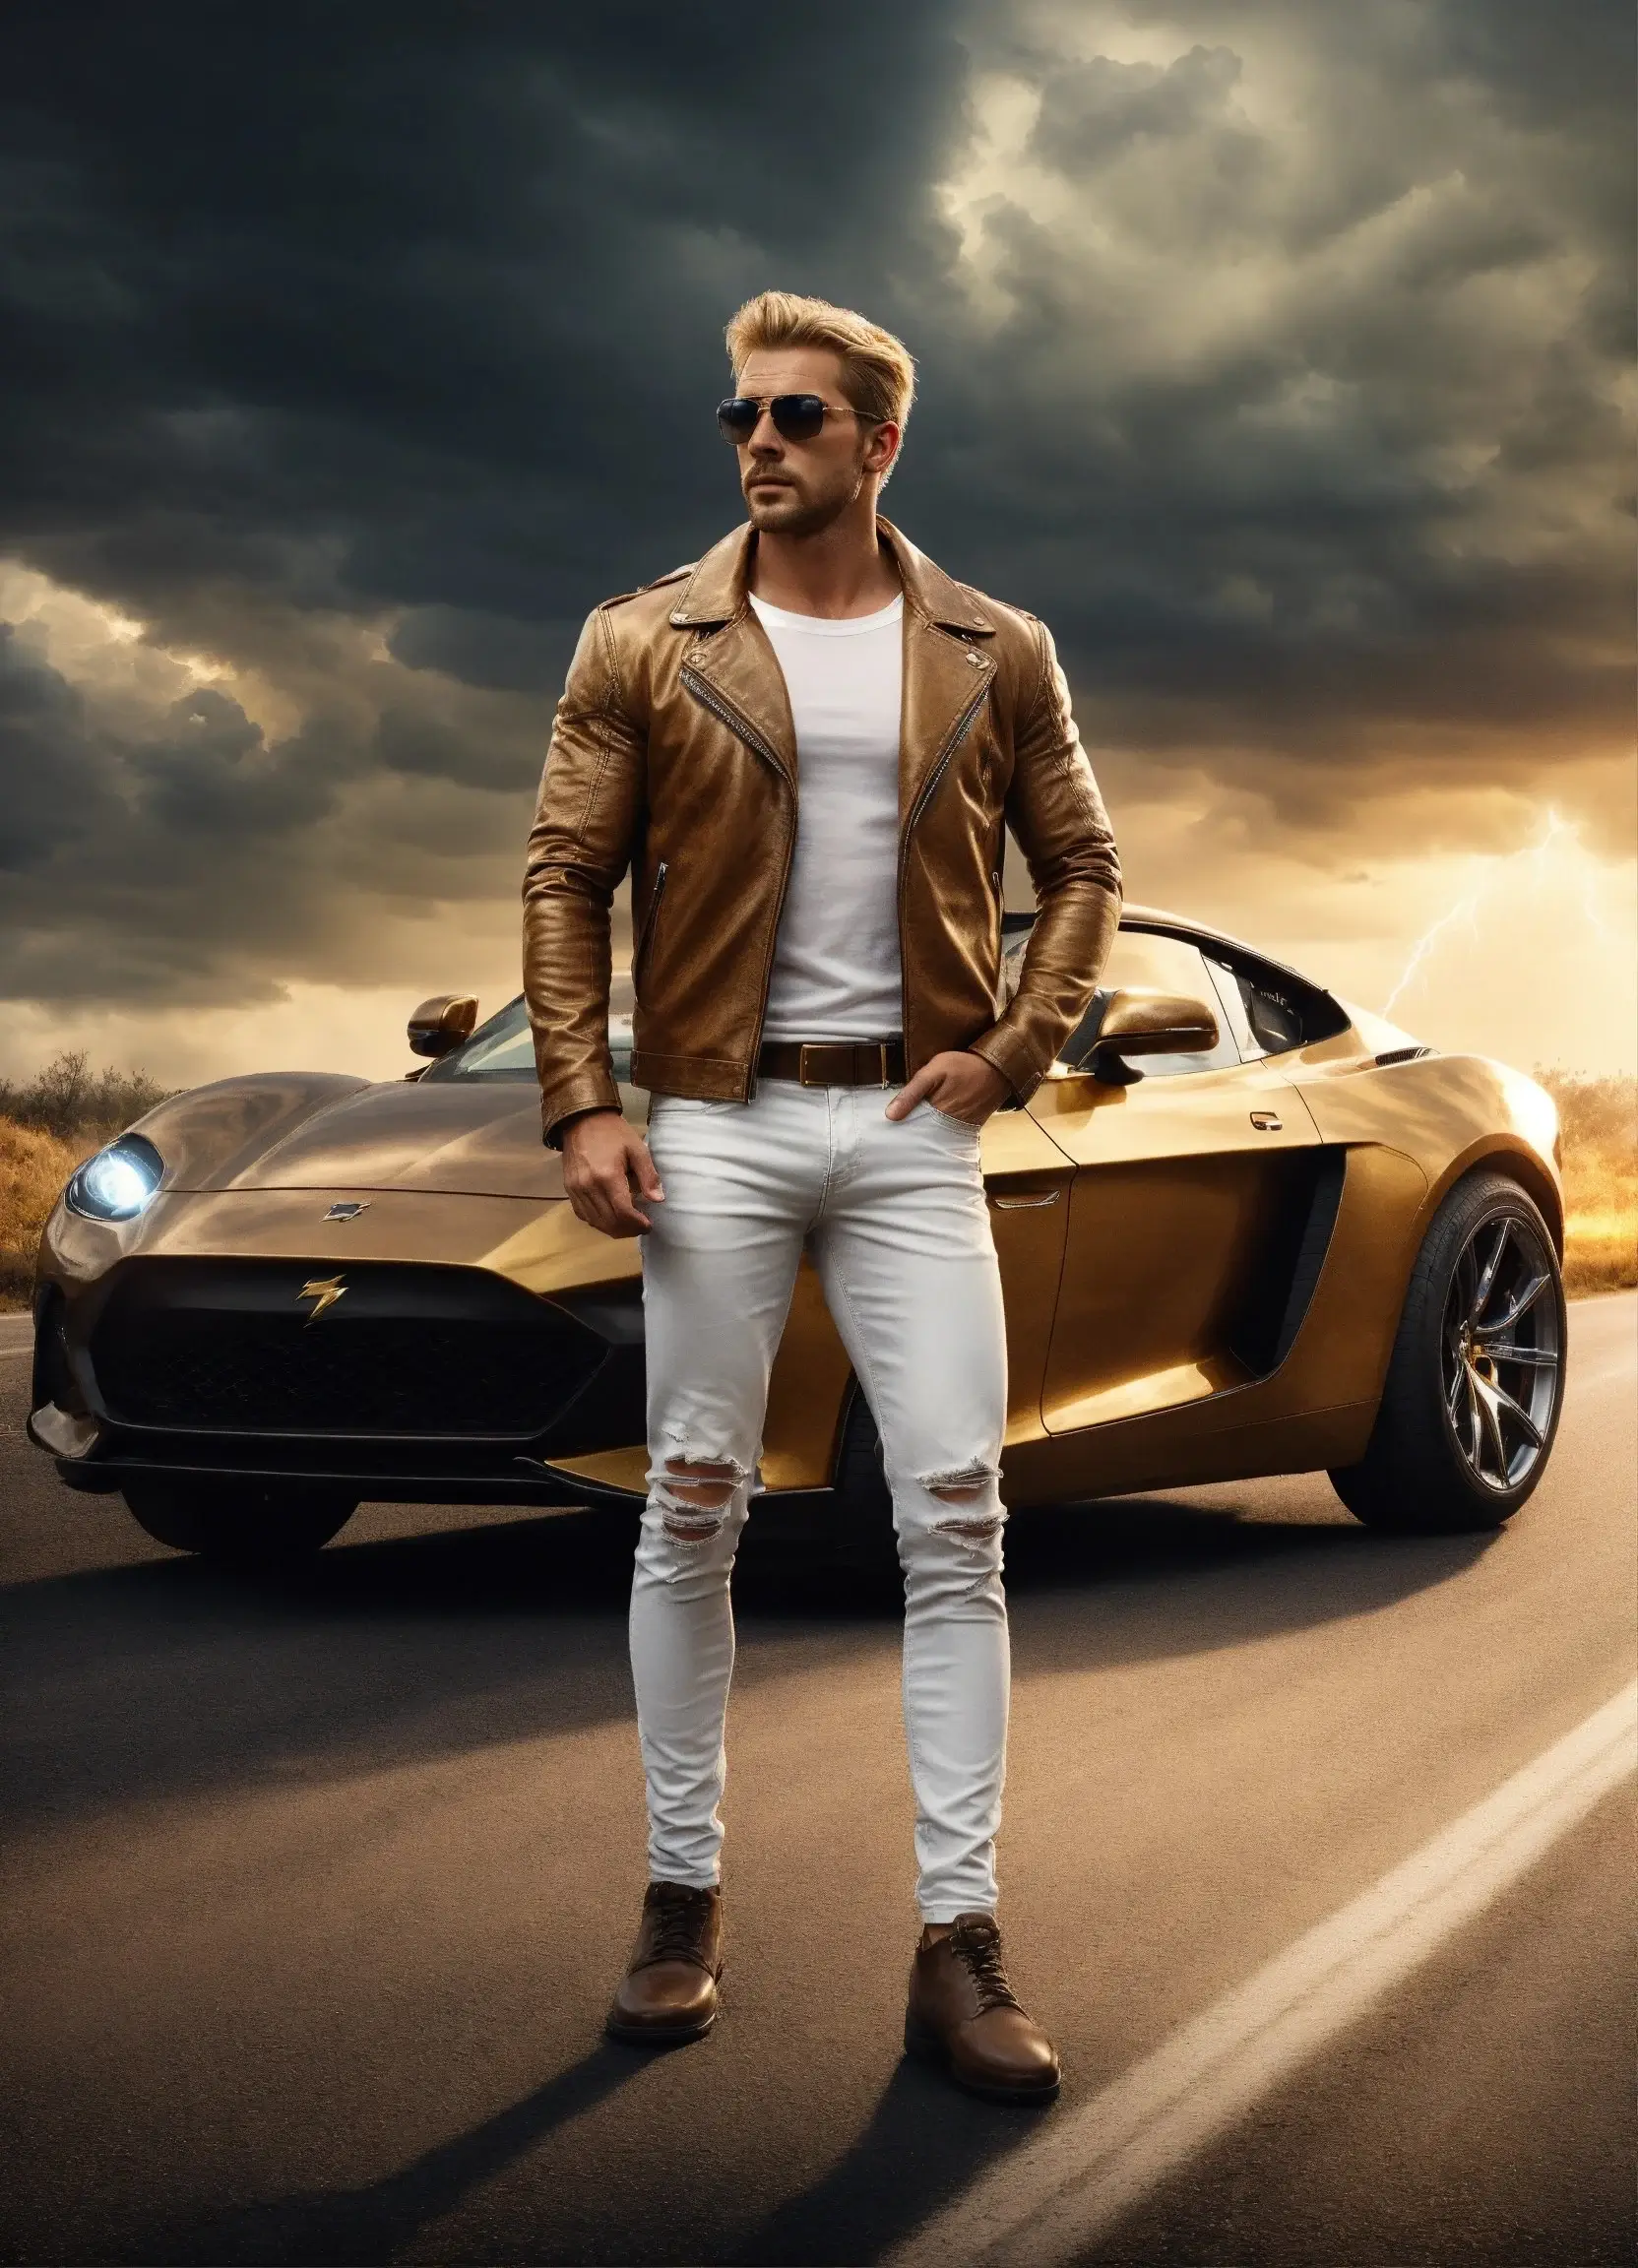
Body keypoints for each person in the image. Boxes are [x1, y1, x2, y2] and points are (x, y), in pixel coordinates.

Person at [522, 290, 1121, 2104]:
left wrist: (1013, 1053)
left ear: (879, 443)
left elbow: (1084, 865)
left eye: (795, 416)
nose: (757, 442)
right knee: (690, 1512)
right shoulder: (645, 640)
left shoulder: (996, 649)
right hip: (712, 1125)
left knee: (957, 1518)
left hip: (916, 1135)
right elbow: (565, 874)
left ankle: (959, 1946)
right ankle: (679, 1905)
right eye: (738, 417)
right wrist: (583, 1105)